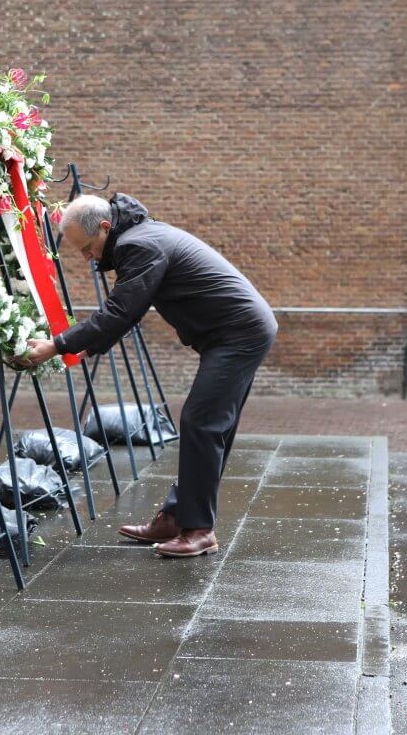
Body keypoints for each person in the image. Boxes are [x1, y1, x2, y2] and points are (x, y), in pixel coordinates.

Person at [20, 193, 277, 558]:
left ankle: (199, 531)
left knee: (201, 423)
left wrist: (57, 344)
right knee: (209, 425)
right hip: (235, 331)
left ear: (106, 228)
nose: (88, 259)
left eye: (87, 248)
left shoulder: (137, 245)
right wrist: (85, 346)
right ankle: (178, 516)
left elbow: (121, 311)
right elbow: (129, 310)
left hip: (239, 333)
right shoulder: (141, 236)